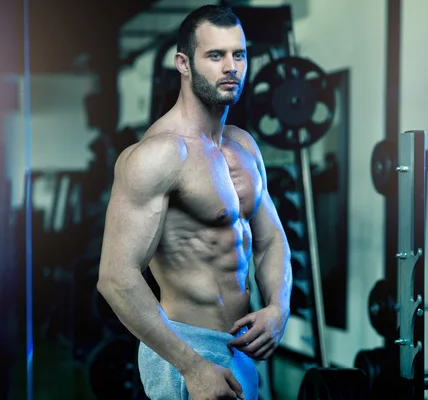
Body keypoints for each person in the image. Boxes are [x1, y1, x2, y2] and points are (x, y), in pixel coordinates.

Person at [96, 5, 293, 400]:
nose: (231, 67)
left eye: (239, 54)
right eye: (215, 55)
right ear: (183, 63)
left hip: (240, 347)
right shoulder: (160, 155)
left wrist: (278, 308)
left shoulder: (243, 145)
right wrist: (192, 366)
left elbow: (271, 241)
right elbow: (116, 278)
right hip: (186, 350)